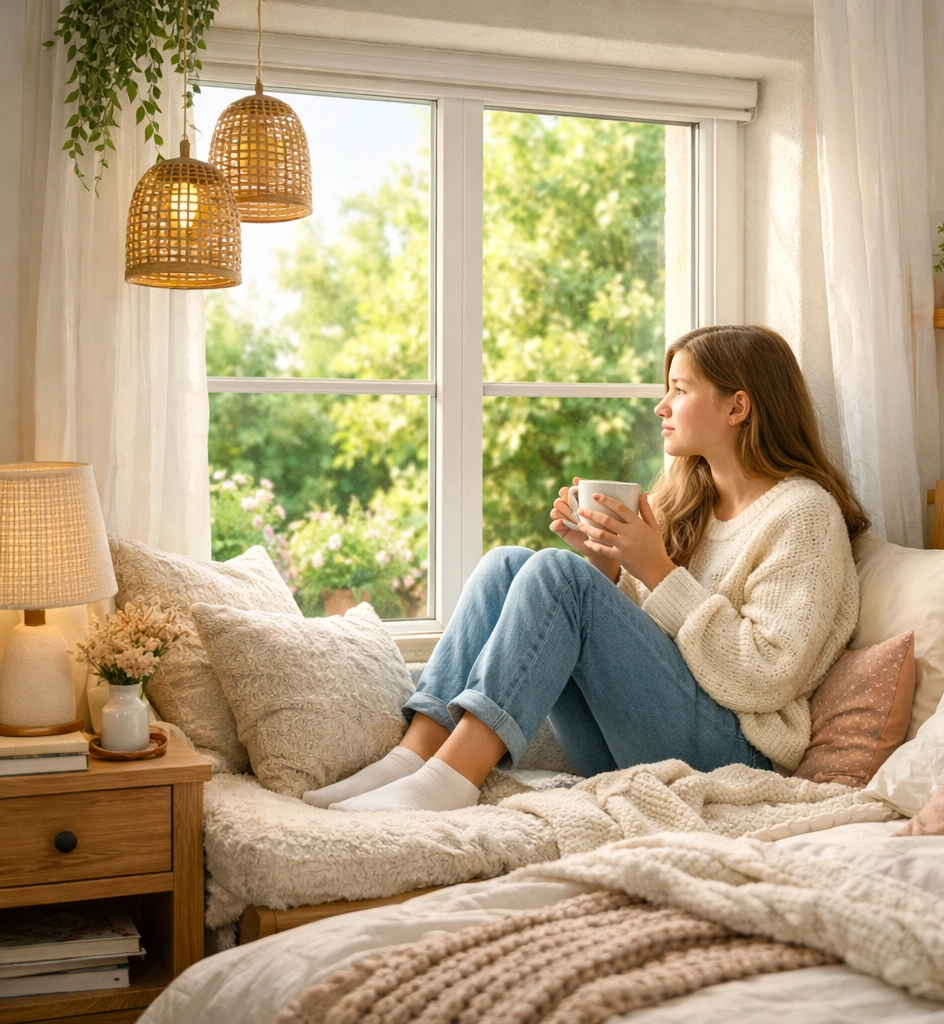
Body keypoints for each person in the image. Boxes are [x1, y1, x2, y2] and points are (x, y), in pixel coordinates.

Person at [303, 324, 868, 813]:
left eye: (678, 389)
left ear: (737, 406)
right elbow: (651, 643)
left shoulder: (803, 514)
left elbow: (766, 674)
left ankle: (448, 782)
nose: (661, 407)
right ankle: (412, 758)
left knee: (556, 575)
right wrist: (605, 564)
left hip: (734, 757)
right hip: (643, 739)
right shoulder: (690, 499)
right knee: (508, 565)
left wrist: (657, 570)